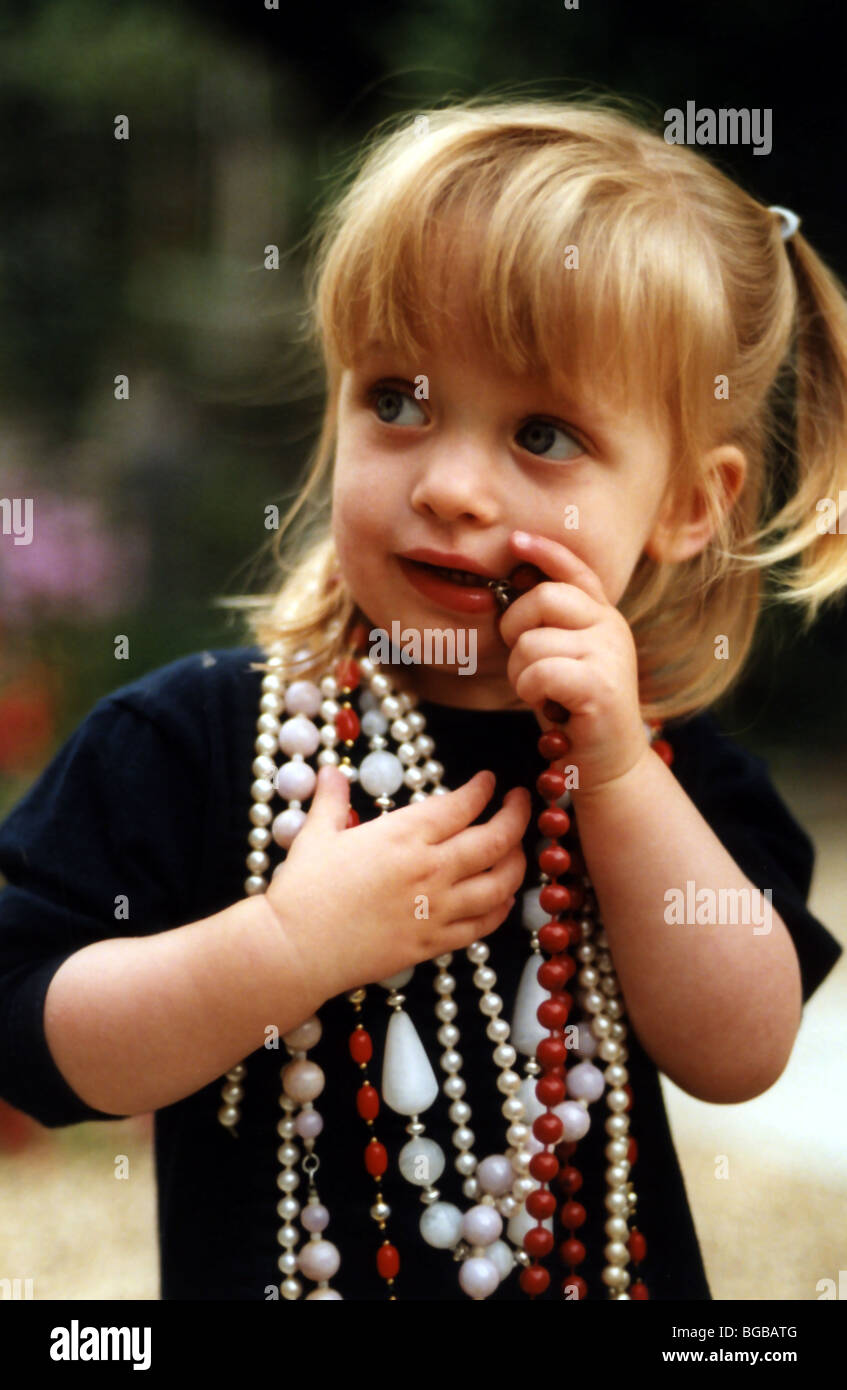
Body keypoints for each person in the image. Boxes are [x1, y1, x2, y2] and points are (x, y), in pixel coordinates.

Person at [0, 96, 845, 1303]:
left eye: (543, 433)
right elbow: (35, 1044)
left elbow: (739, 1055)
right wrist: (281, 950)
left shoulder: (667, 772)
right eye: (395, 399)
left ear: (686, 506)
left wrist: (615, 777)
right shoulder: (189, 740)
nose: (448, 484)